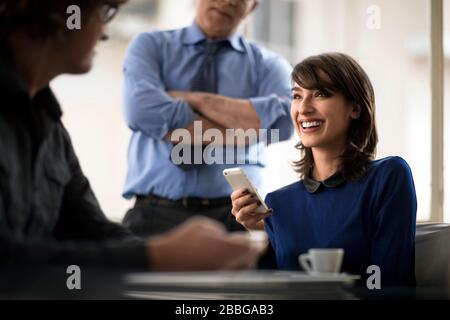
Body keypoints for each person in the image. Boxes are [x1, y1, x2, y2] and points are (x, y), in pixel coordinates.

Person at [0, 0, 263, 272]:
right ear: (63, 14)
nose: (105, 31)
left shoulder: (49, 125)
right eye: (104, 12)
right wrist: (160, 256)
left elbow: (91, 229)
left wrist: (174, 255)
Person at [230, 53, 417, 287]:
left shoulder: (388, 177)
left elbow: (390, 283)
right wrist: (257, 233)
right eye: (297, 96)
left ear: (355, 108)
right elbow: (271, 291)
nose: (304, 108)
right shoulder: (278, 203)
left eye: (321, 94)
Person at [121, 0, 293, 237]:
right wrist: (244, 130)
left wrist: (195, 100)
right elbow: (142, 112)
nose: (230, 1)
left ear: (253, 6)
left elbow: (283, 126)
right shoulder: (150, 46)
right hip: (154, 215)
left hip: (235, 218)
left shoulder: (270, 66)